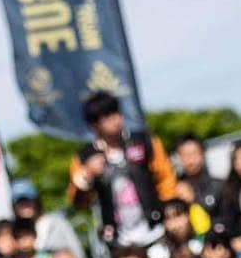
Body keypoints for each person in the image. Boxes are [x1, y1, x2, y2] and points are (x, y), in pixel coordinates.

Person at [68, 90, 177, 246]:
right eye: (106, 116)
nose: (114, 119)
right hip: (119, 240)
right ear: (94, 124)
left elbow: (166, 178)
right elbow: (78, 202)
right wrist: (88, 174)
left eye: (115, 112)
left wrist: (170, 213)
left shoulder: (144, 141)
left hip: (155, 230)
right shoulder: (84, 156)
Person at [9, 178, 83, 258]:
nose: (24, 205)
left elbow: (76, 251)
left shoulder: (57, 223)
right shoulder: (12, 231)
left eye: (27, 200)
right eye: (20, 202)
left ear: (36, 201)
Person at [173, 132, 221, 218]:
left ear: (202, 154)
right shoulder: (174, 186)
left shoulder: (218, 185)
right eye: (184, 155)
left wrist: (193, 198)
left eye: (194, 153)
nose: (190, 159)